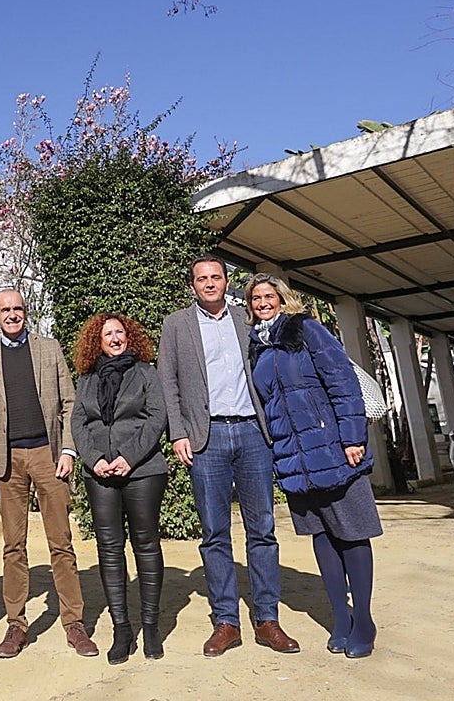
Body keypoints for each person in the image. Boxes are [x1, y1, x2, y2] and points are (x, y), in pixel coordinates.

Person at [157, 255, 300, 657]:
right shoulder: (176, 325)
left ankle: (267, 618)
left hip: (254, 433)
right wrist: (178, 432)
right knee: (215, 534)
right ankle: (226, 621)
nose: (209, 283)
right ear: (192, 285)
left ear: (226, 281)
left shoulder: (246, 320)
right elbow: (168, 381)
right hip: (207, 436)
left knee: (263, 530)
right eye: (201, 278)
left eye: (215, 277)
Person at [245, 272, 382, 659]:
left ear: (282, 298)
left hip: (334, 449)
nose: (263, 303)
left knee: (352, 534)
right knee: (322, 537)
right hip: (294, 459)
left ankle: (365, 621)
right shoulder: (257, 346)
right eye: (256, 299)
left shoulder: (305, 329)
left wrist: (353, 436)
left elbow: (342, 381)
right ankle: (340, 618)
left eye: (269, 296)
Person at [0, 290, 98, 658]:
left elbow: (69, 403)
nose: (12, 315)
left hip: (49, 455)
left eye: (18, 309)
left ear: (26, 312)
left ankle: (74, 624)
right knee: (14, 547)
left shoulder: (49, 349)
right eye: (5, 310)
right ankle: (16, 626)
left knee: (61, 544)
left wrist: (69, 450)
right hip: (8, 462)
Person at [70, 313, 167, 664]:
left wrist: (129, 456)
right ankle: (122, 629)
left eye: (119, 332)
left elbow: (157, 417)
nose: (114, 338)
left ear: (130, 337)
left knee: (146, 543)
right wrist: (94, 459)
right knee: (109, 549)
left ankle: (151, 626)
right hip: (99, 473)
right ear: (97, 340)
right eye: (107, 334)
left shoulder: (145, 372)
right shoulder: (87, 378)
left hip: (142, 470)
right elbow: (78, 422)